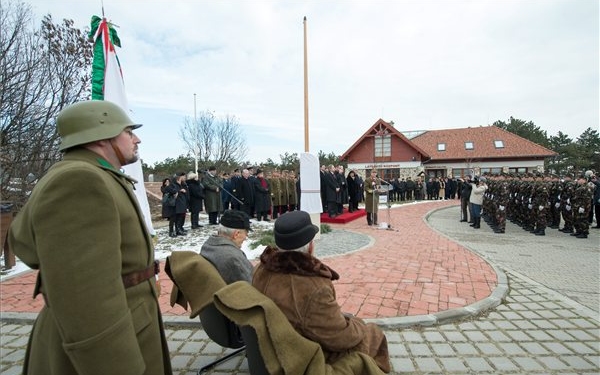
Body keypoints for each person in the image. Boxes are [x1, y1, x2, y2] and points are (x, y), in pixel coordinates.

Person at [8, 100, 172, 375]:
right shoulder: (79, 181)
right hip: (107, 344)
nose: (137, 138)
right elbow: (86, 297)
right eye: (129, 131)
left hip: (132, 320)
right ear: (101, 135)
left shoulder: (91, 174)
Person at [252, 210, 391, 373]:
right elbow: (340, 338)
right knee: (373, 334)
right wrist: (358, 325)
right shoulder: (313, 288)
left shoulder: (260, 269)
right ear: (310, 246)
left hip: (274, 345)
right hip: (302, 356)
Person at [200, 210, 254, 283]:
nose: (246, 237)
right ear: (236, 234)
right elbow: (252, 285)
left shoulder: (207, 246)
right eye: (246, 233)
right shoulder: (234, 258)